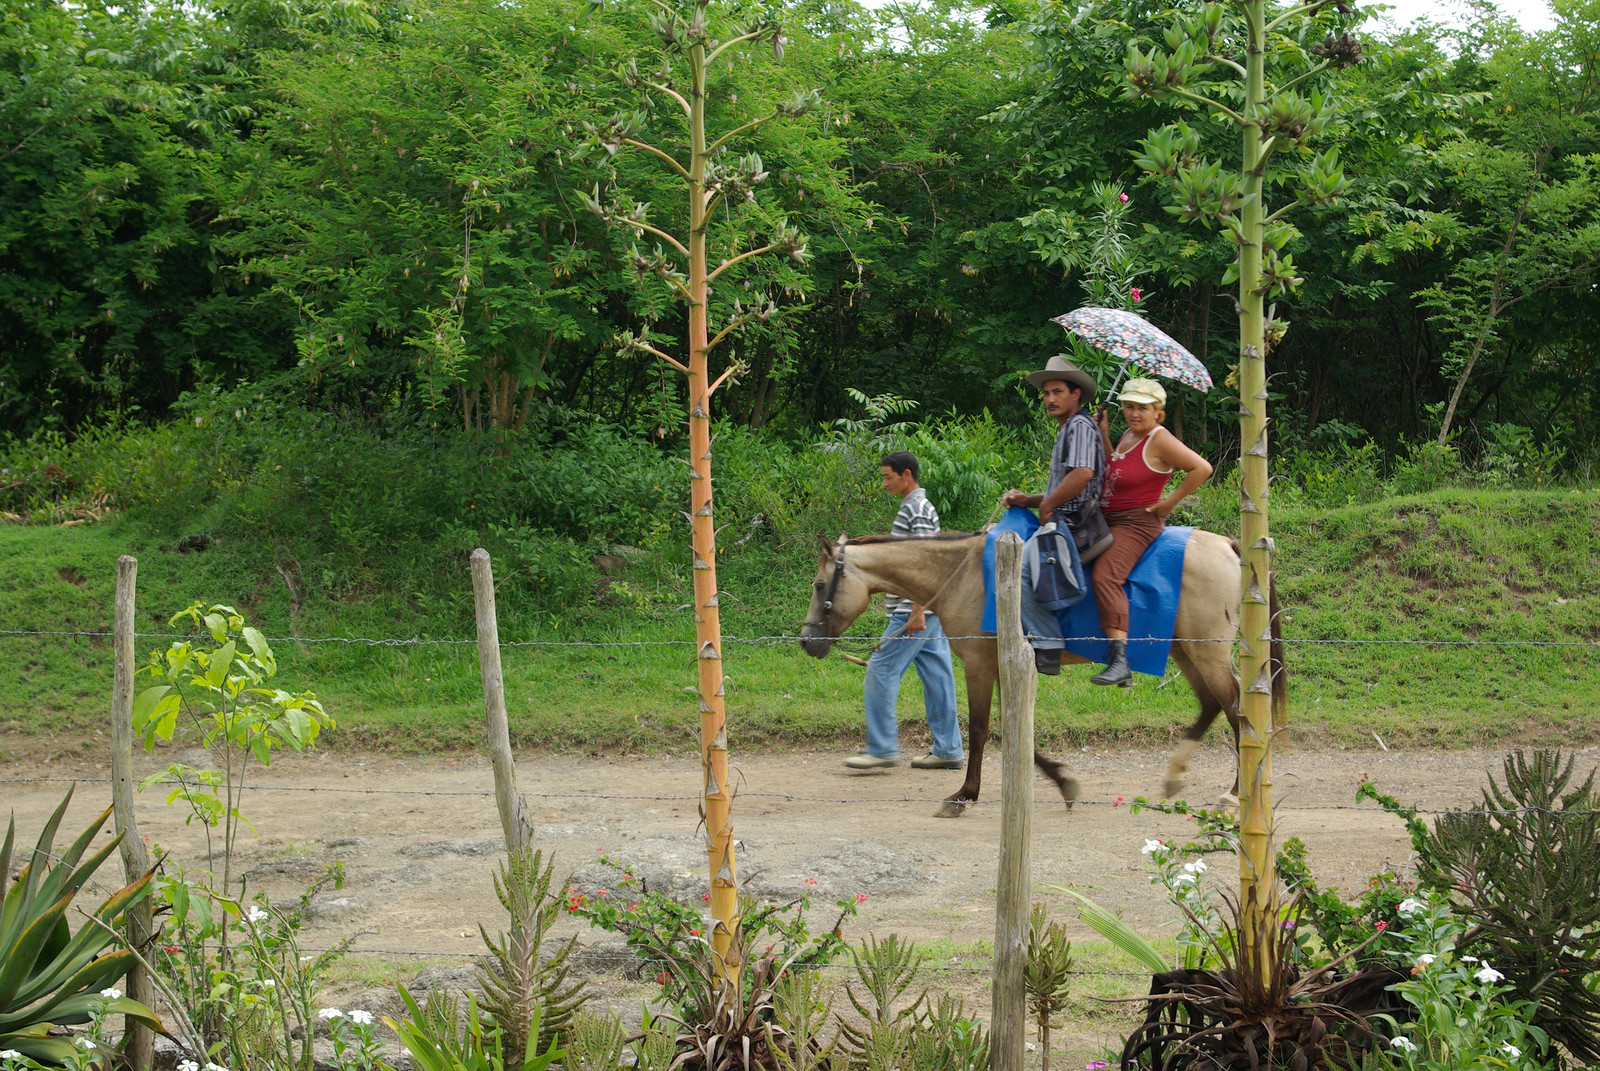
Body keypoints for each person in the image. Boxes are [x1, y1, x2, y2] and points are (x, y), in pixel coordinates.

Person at [842, 451, 965, 771]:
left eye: (887, 476)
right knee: (938, 677)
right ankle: (949, 749)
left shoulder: (918, 509)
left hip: (914, 610)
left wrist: (917, 609)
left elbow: (927, 563)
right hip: (924, 610)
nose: (884, 483)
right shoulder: (911, 507)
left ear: (906, 475)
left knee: (880, 670)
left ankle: (881, 748)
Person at [1088, 377, 1213, 686]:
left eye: (1142, 408)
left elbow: (1202, 468)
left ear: (1158, 411)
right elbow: (1112, 468)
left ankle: (1119, 661)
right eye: (1129, 406)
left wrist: (1169, 503)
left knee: (1106, 575)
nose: (1134, 413)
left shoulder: (1159, 438)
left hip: (1136, 523)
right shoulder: (1130, 435)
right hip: (1109, 519)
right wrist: (1104, 434)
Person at [1002, 356, 1105, 676]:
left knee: (1020, 571)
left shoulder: (1079, 426)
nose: (1049, 399)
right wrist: (1027, 499)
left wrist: (1046, 507)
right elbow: (1062, 485)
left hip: (1076, 522)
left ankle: (1048, 644)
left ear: (1076, 394)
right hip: (1063, 514)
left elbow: (1083, 474)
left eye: (1057, 391)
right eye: (1046, 393)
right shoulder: (1068, 428)